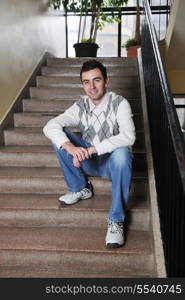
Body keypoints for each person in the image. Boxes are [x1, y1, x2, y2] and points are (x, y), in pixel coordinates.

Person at [43, 59, 135, 248]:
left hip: (111, 164)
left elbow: (128, 136)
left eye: (96, 80)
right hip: (89, 160)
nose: (92, 87)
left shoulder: (120, 103)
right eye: (86, 82)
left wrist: (92, 149)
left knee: (123, 154)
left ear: (106, 81)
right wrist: (71, 148)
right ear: (82, 84)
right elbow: (50, 125)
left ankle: (116, 219)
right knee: (59, 138)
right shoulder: (81, 105)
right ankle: (80, 188)